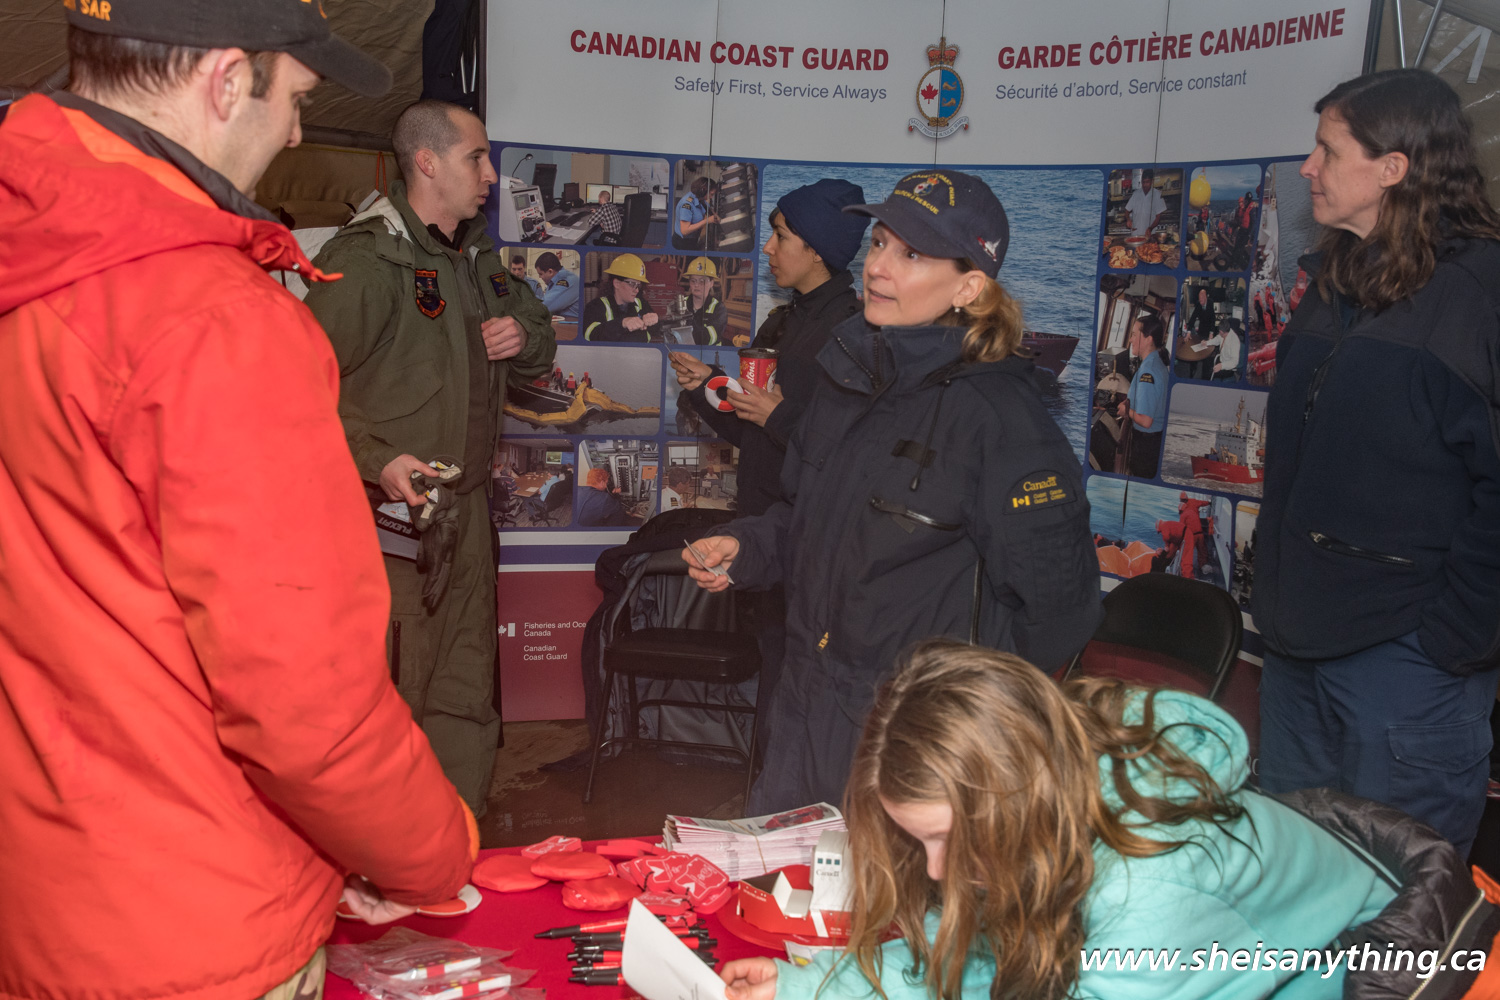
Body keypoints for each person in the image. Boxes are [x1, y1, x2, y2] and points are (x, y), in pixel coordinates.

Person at [0, 4, 478, 1000]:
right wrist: (430, 854)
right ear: (226, 81)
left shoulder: (37, 250)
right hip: (194, 917)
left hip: (48, 889)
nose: (298, 134)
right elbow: (306, 707)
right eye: (295, 98)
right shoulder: (211, 317)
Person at [684, 171, 1102, 812]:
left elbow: (1060, 609)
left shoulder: (1002, 419)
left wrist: (959, 719)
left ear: (968, 287)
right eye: (879, 242)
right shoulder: (848, 377)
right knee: (780, 872)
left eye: (912, 254)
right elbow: (806, 516)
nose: (878, 266)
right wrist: (748, 547)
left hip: (913, 745)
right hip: (803, 709)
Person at [717, 641, 1399, 1000]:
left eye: (946, 838)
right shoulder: (1042, 797)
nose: (936, 870)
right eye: (921, 841)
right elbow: (975, 960)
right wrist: (811, 989)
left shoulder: (1154, 887)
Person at [1253, 69, 1500, 859]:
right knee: (1289, 885)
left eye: (1328, 150)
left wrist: (1452, 640)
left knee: (1395, 906)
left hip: (1407, 667)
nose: (1308, 167)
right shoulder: (1335, 278)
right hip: (1295, 653)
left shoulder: (1479, 294)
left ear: (1393, 166)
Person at [304, 100, 557, 815]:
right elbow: (291, 389)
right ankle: (373, 852)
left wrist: (522, 339)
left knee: (464, 686)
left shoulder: (476, 256)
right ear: (427, 162)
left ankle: (453, 844)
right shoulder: (366, 261)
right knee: (390, 690)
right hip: (383, 520)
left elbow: (538, 336)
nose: (491, 174)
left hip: (464, 511)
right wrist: (374, 459)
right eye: (476, 157)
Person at [669, 179, 869, 765]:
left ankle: (782, 796)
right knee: (775, 681)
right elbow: (752, 434)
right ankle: (767, 789)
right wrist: (705, 390)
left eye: (780, 235)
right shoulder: (781, 324)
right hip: (761, 534)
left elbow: (854, 453)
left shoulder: (853, 335)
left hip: (810, 544)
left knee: (800, 693)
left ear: (816, 248)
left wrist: (779, 417)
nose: (768, 248)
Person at [1115, 313, 1169, 478]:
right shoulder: (1156, 363)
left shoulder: (1148, 372)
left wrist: (1125, 410)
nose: (1130, 339)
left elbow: (1145, 421)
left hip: (1146, 446)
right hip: (1153, 443)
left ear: (1148, 339)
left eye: (1134, 334)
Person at [583, 253, 660, 341]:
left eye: (638, 285)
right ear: (617, 283)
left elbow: (657, 331)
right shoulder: (596, 306)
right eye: (632, 284)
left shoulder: (641, 303)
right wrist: (622, 323)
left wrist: (654, 321)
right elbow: (589, 334)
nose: (636, 290)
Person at [681, 256, 726, 345]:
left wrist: (687, 321)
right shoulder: (680, 304)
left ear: (711, 283)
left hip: (709, 353)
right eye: (693, 281)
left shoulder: (719, 309)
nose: (696, 285)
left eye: (702, 281)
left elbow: (706, 339)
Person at [674, 175, 718, 250]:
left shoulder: (699, 197)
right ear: (703, 191)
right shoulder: (687, 205)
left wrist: (715, 215)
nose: (711, 197)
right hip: (683, 243)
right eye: (711, 194)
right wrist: (707, 220)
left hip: (693, 238)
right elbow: (684, 231)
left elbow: (707, 207)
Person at [533, 250, 578, 321]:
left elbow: (544, 306)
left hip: (571, 323)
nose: (540, 277)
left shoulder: (566, 281)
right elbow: (544, 300)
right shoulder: (554, 281)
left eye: (541, 274)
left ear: (550, 271)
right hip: (562, 321)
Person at [1125, 167, 1167, 239]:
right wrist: (1128, 219)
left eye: (1147, 182)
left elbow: (1158, 217)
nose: (1145, 185)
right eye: (1143, 182)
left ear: (1152, 181)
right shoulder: (1136, 194)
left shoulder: (1157, 194)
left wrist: (1150, 228)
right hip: (1135, 233)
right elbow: (1127, 210)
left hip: (1149, 234)